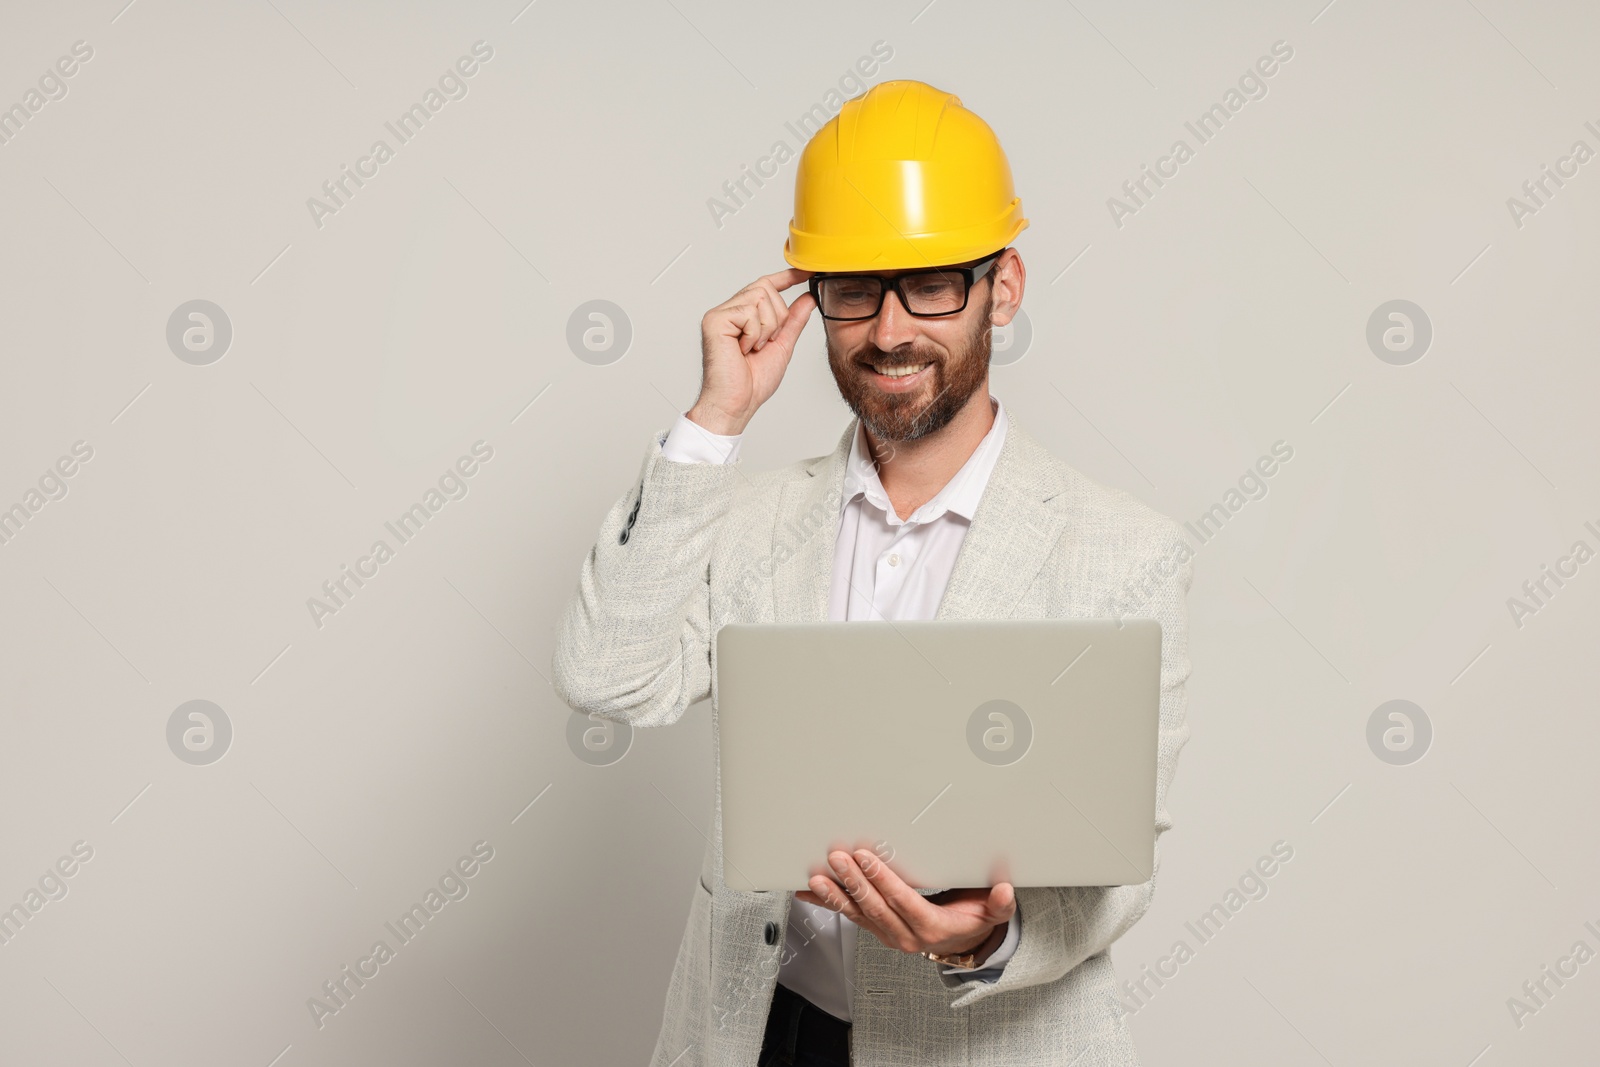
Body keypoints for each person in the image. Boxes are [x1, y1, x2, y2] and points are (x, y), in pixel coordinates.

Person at [552, 79, 1194, 1067]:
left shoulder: (1123, 550)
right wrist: (712, 422)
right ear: (810, 297)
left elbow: (1117, 872)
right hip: (756, 1029)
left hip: (980, 1039)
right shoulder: (746, 516)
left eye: (931, 284)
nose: (890, 331)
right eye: (854, 289)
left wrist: (980, 935)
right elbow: (607, 675)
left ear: (1003, 285)